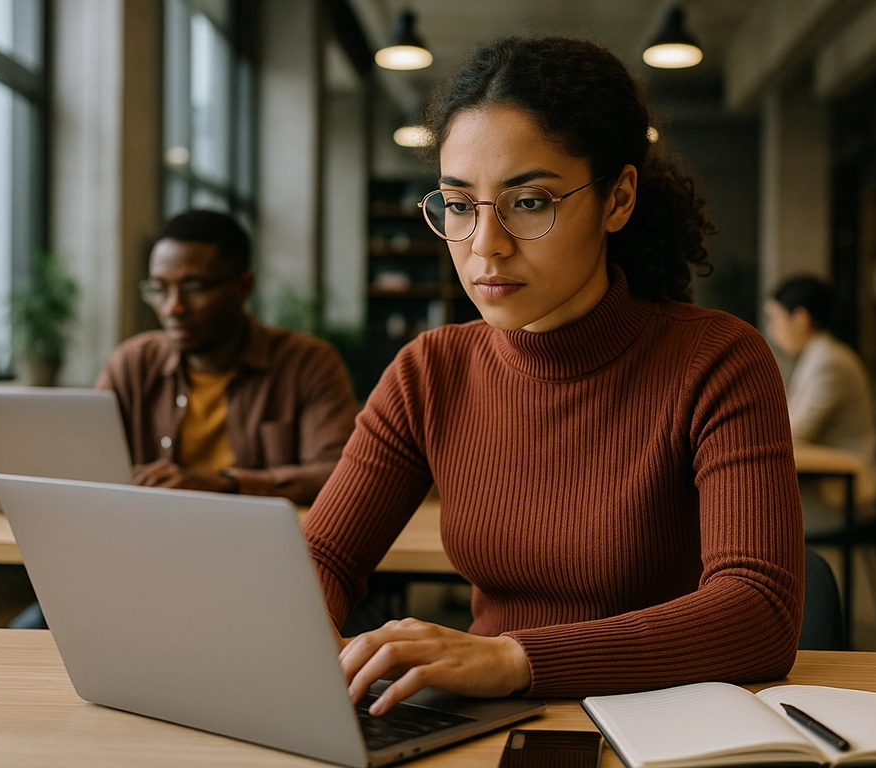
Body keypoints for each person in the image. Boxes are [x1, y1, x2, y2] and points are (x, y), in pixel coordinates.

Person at [303, 36, 804, 716]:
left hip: (662, 728)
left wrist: (516, 658)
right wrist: (307, 644)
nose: (485, 246)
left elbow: (759, 613)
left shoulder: (717, 360)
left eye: (529, 201)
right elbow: (323, 556)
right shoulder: (430, 370)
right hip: (478, 721)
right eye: (458, 204)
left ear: (618, 199)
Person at [97, 209, 357, 506]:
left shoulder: (307, 364)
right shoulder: (132, 365)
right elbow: (84, 463)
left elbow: (339, 474)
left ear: (243, 286)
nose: (172, 308)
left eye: (193, 287)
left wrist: (221, 483)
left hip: (257, 542)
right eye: (159, 289)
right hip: (149, 536)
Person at [765, 275, 876, 532]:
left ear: (801, 318)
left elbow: (793, 430)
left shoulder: (828, 362)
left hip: (842, 494)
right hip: (831, 480)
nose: (772, 329)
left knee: (753, 514)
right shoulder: (819, 356)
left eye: (775, 317)